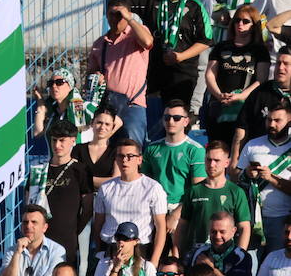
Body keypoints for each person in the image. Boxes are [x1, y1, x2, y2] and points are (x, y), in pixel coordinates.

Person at [99, 0, 212, 133]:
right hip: (153, 70)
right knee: (152, 119)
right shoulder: (153, 0)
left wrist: (180, 56)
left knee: (175, 117)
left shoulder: (195, 8)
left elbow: (205, 41)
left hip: (182, 73)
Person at [141, 99, 206, 252]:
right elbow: (144, 182)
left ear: (186, 121)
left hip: (181, 209)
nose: (171, 121)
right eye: (167, 117)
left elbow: (198, 189)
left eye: (176, 118)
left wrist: (176, 215)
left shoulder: (195, 150)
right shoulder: (152, 148)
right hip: (154, 209)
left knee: (178, 256)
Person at [25, 120, 93, 264]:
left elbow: (88, 206)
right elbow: (29, 204)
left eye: (62, 141)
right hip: (39, 237)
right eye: (54, 140)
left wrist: (74, 229)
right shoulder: (39, 171)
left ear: (73, 141)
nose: (57, 145)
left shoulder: (80, 170)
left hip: (67, 239)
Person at [89, 0, 154, 143]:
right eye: (112, 14)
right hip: (108, 106)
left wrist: (130, 19)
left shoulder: (136, 34)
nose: (116, 19)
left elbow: (148, 42)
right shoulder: (100, 43)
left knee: (132, 148)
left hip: (133, 104)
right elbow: (90, 73)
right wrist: (95, 76)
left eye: (120, 15)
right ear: (106, 15)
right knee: (104, 147)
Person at [203, 3, 270, 145]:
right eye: (237, 20)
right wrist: (219, 95)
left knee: (240, 149)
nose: (240, 24)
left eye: (246, 21)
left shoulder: (259, 50)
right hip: (219, 105)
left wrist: (240, 96)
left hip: (245, 108)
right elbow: (210, 74)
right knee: (217, 148)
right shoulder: (221, 46)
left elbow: (261, 79)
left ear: (254, 25)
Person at [94, 137, 168, 259]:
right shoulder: (106, 187)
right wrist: (99, 250)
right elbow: (98, 224)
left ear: (139, 159)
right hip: (110, 248)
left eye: (130, 156)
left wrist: (154, 261)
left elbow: (160, 227)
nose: (125, 160)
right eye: (120, 156)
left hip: (140, 250)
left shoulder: (153, 188)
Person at [178, 141, 252, 253]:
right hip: (197, 254)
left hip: (226, 254)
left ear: (227, 162)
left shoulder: (236, 192)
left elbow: (244, 227)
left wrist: (239, 255)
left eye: (217, 160)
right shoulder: (194, 190)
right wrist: (177, 253)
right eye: (208, 160)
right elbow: (182, 227)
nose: (212, 164)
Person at [237, 98, 291, 250]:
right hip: (251, 219)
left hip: (283, 220)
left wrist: (271, 178)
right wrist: (247, 174)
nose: (272, 124)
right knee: (249, 269)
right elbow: (236, 179)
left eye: (277, 120)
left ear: (289, 121)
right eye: (269, 120)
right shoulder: (252, 145)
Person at [233, 49, 291, 166]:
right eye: (278, 63)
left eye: (286, 64)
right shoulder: (260, 92)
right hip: (258, 157)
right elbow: (242, 128)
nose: (280, 68)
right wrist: (234, 160)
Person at [33, 67, 105, 140]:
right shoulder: (54, 113)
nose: (54, 86)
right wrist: (40, 105)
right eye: (51, 83)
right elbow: (37, 133)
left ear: (70, 86)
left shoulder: (84, 107)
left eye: (59, 82)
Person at [76, 104, 123, 189]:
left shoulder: (116, 151)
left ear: (113, 127)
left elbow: (116, 180)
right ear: (92, 123)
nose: (102, 127)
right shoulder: (78, 149)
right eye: (99, 122)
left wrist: (85, 179)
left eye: (107, 124)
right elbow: (72, 175)